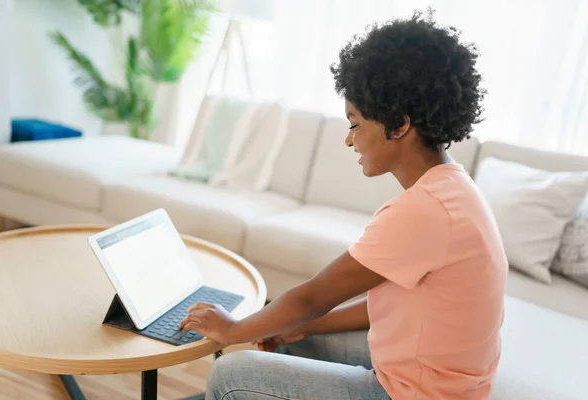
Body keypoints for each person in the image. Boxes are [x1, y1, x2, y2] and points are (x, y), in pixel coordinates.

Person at [179, 9, 507, 400]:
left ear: (399, 125)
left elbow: (313, 296)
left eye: (354, 123)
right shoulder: (454, 189)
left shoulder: (423, 210)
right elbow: (389, 304)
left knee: (228, 374)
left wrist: (234, 329)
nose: (349, 140)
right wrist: (300, 327)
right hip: (442, 377)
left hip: (419, 394)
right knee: (285, 338)